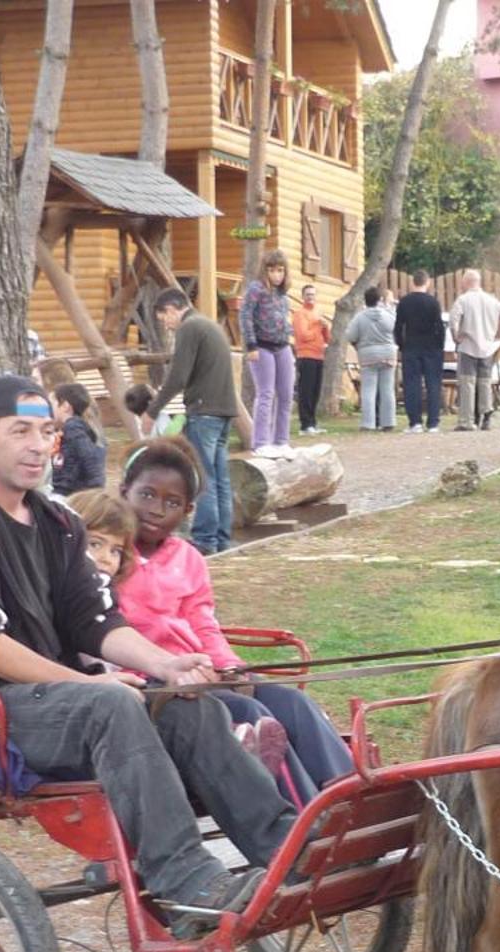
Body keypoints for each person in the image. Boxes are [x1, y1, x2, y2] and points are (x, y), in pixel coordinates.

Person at [0, 374, 294, 937]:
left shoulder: (57, 522)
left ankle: (283, 849)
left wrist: (165, 665)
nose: (39, 445)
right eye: (20, 432)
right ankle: (185, 884)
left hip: (44, 702)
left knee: (186, 703)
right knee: (110, 706)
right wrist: (84, 686)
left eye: (48, 431)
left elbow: (96, 620)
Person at [109, 439, 355, 798]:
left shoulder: (188, 558)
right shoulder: (107, 554)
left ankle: (346, 792)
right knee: (252, 714)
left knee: (292, 702)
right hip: (153, 682)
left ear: (189, 510)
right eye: (146, 495)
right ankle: (303, 815)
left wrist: (230, 666)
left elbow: (203, 622)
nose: (157, 510)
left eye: (172, 503)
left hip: (203, 671)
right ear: (123, 491)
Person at [144, 287, 251, 554]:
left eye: (164, 319)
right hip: (224, 410)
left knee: (203, 477)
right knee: (220, 478)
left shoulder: (189, 328)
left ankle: (205, 539)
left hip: (204, 410)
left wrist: (153, 410)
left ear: (171, 309)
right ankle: (222, 537)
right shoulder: (209, 325)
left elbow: (178, 376)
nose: (167, 326)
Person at [240, 251, 296, 455]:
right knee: (266, 394)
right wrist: (251, 345)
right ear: (265, 270)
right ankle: (261, 442)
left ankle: (281, 441)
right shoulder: (256, 289)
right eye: (272, 270)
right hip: (262, 346)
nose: (276, 275)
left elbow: (284, 317)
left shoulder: (282, 293)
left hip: (283, 346)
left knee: (287, 394)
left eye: (280, 270)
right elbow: (245, 315)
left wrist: (290, 337)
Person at [449, 269, 500, 432]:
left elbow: (453, 320)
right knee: (484, 382)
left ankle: (467, 421)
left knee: (467, 383)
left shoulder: (462, 300)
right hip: (487, 347)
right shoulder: (491, 300)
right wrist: (497, 336)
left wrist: (456, 336)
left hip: (468, 347)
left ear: (466, 282)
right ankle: (486, 415)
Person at [393, 269, 445, 434]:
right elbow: (439, 326)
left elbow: (398, 327)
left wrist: (402, 345)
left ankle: (415, 422)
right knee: (433, 384)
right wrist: (439, 345)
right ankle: (433, 423)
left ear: (412, 282)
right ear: (427, 282)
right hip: (431, 348)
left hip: (412, 347)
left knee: (412, 385)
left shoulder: (405, 302)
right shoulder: (433, 302)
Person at [348, 286, 398, 433]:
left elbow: (350, 336)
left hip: (368, 354)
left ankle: (368, 423)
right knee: (387, 389)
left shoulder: (360, 317)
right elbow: (396, 330)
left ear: (366, 300)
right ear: (380, 300)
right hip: (388, 353)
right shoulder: (389, 315)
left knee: (368, 390)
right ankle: (388, 422)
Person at [49, 382, 105, 495]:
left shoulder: (73, 427)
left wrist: (96, 487)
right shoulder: (69, 428)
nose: (49, 411)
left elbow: (89, 456)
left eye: (52, 405)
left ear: (65, 406)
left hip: (68, 492)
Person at [291, 283, 331, 436]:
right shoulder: (299, 314)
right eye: (308, 294)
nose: (311, 297)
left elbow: (327, 338)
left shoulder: (318, 312)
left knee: (315, 391)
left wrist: (325, 327)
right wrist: (316, 326)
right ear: (303, 297)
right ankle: (305, 425)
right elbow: (303, 335)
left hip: (319, 355)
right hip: (305, 356)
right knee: (306, 391)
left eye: (313, 294)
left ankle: (313, 423)